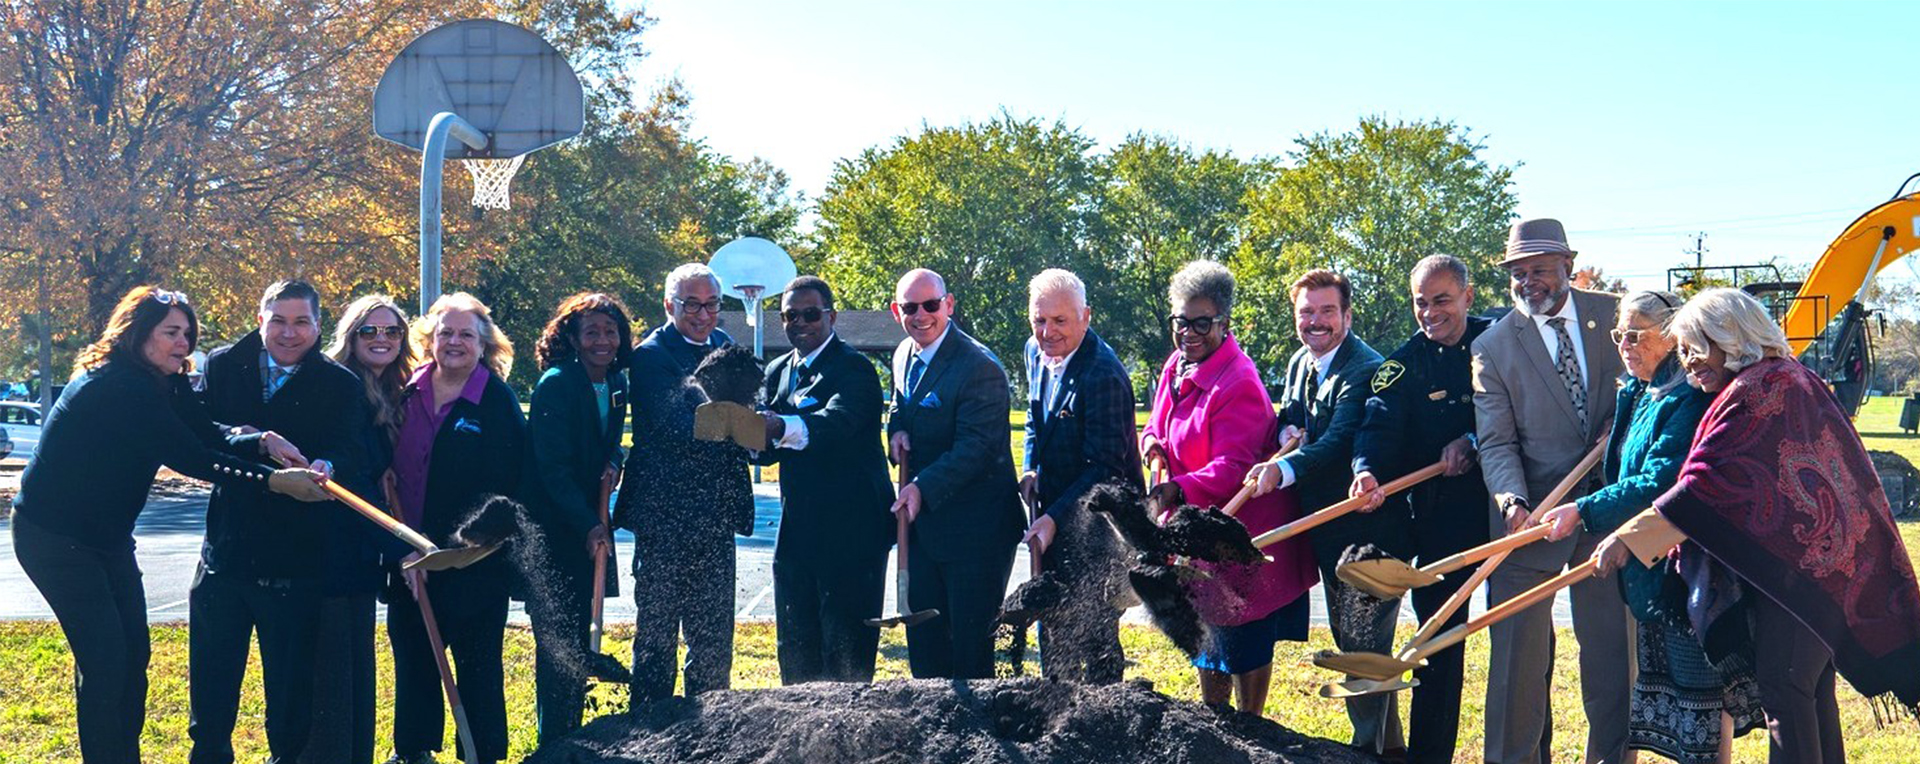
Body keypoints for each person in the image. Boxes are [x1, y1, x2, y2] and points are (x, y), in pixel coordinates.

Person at [1593, 288, 1920, 764]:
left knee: (1785, 695)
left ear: (1731, 335)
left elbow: (1708, 484)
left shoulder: (1762, 390)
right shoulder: (1786, 378)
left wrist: (1628, 538)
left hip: (1799, 575)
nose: (1688, 363)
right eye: (1682, 351)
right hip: (1814, 572)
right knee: (1806, 693)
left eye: (1696, 347)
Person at [11, 286, 327, 764]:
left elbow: (203, 431)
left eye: (187, 334)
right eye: (170, 333)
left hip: (107, 540)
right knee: (107, 662)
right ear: (137, 333)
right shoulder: (119, 386)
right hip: (53, 538)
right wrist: (274, 483)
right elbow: (191, 457)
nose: (182, 344)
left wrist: (259, 441)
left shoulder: (163, 381)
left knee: (131, 660)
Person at [1531, 290, 1762, 764]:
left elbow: (1659, 480)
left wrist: (1583, 511)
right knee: (1670, 698)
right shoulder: (1639, 389)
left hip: (1686, 570)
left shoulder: (1687, 396)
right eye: (1620, 334)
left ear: (1672, 337)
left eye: (1636, 335)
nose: (1624, 344)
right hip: (1649, 572)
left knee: (1701, 700)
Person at [1471, 218, 1632, 764]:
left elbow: (1655, 386)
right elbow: (1494, 442)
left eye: (1540, 268)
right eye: (1518, 272)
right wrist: (1512, 502)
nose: (1529, 281)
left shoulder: (1615, 317)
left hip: (1608, 512)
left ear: (1568, 263)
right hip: (1531, 517)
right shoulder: (1493, 345)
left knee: (1612, 655)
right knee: (1517, 663)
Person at [189, 280, 369, 764]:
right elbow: (200, 434)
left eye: (302, 322)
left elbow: (351, 448)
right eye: (279, 321)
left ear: (318, 325)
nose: (289, 333)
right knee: (211, 691)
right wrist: (252, 438)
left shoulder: (340, 384)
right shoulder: (225, 364)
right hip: (225, 555)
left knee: (289, 699)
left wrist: (330, 466)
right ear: (260, 317)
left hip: (294, 561)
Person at [1140, 260, 1317, 715]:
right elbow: (1157, 423)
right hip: (1201, 528)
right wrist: (1153, 445)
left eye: (1202, 323)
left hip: (1246, 534)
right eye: (1182, 322)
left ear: (1224, 322)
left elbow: (1233, 468)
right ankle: (1215, 726)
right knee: (1207, 633)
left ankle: (1250, 729)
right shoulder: (1176, 366)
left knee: (1242, 636)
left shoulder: (1238, 381)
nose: (1189, 333)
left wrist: (1177, 489)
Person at [1245, 268, 1398, 754]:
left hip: (1370, 525)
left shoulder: (1364, 368)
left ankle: (1368, 746)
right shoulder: (1300, 361)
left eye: (1327, 311)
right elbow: (1292, 416)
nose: (1316, 322)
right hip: (1328, 526)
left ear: (1347, 315)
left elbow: (1336, 443)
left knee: (1363, 641)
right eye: (1306, 312)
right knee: (1350, 636)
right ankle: (1387, 747)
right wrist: (1286, 432)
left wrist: (1283, 469)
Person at [1346, 255, 1491, 764]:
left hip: (1509, 509)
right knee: (1438, 643)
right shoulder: (1401, 365)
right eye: (1421, 302)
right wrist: (1365, 468)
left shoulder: (1500, 340)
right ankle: (1431, 757)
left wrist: (1471, 439)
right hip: (1439, 519)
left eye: (1442, 300)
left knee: (1522, 642)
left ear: (1468, 297)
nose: (1430, 312)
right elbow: (1376, 427)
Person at [386, 293, 526, 764]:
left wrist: (464, 547)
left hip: (473, 562)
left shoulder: (496, 401)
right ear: (429, 338)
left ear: (484, 343)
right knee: (414, 659)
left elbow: (512, 482)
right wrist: (406, 554)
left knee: (478, 665)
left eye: (466, 334)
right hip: (406, 554)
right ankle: (414, 751)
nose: (455, 342)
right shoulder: (406, 391)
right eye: (446, 332)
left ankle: (482, 753)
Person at [615, 263, 754, 702]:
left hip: (716, 516)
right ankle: (649, 729)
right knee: (657, 636)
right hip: (664, 519)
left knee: (713, 638)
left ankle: (710, 729)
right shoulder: (652, 356)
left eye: (712, 304)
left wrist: (744, 423)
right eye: (691, 304)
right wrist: (742, 424)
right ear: (669, 305)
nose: (703, 314)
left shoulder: (726, 345)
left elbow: (745, 412)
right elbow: (682, 425)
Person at [886, 267, 1025, 679]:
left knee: (970, 653)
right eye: (910, 307)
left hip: (977, 533)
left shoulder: (978, 366)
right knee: (926, 651)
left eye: (931, 305)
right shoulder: (902, 354)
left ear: (948, 305)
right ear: (897, 311)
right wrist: (895, 429)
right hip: (925, 528)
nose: (921, 315)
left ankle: (979, 741)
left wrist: (920, 487)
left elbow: (976, 449)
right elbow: (899, 404)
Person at [755, 275, 892, 683]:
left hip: (854, 530)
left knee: (845, 645)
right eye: (790, 315)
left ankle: (849, 739)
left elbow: (838, 423)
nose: (801, 322)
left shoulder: (855, 369)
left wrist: (779, 427)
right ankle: (798, 733)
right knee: (795, 641)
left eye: (811, 314)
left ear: (831, 316)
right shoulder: (779, 370)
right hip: (798, 526)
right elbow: (765, 443)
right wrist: (743, 433)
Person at [302, 294, 415, 764]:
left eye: (392, 331)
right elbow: (347, 470)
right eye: (369, 330)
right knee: (330, 670)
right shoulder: (336, 384)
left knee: (355, 667)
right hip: (329, 546)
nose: (381, 339)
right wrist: (399, 548)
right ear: (351, 336)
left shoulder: (395, 389)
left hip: (361, 551)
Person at [1017, 268, 1138, 684]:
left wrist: (1052, 517)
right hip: (1053, 508)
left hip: (1099, 526)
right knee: (1054, 620)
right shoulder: (1034, 352)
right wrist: (1031, 465)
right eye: (1039, 320)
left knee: (1096, 630)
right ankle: (1058, 706)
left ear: (1085, 317)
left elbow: (1105, 469)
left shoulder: (1103, 375)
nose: (1048, 332)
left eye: (1060, 321)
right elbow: (1034, 419)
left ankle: (1103, 721)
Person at [524, 292, 632, 741]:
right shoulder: (557, 384)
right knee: (558, 644)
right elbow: (551, 469)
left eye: (611, 331)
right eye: (592, 332)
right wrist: (588, 525)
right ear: (572, 336)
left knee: (579, 635)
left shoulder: (617, 382)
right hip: (555, 530)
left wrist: (614, 457)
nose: (603, 340)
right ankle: (555, 742)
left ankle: (577, 737)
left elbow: (606, 441)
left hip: (589, 525)